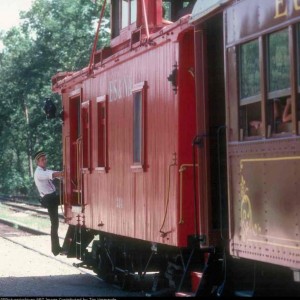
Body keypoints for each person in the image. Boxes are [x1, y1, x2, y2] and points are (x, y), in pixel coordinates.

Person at [33, 150, 64, 256]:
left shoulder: (44, 170)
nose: (45, 161)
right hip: (49, 199)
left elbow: (54, 174)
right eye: (42, 160)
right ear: (37, 162)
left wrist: (61, 175)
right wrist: (65, 172)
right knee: (69, 197)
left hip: (51, 198)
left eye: (45, 159)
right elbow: (54, 174)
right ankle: (55, 249)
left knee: (55, 224)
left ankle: (55, 249)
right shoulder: (39, 172)